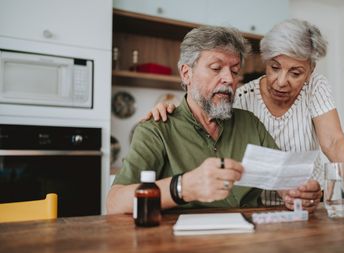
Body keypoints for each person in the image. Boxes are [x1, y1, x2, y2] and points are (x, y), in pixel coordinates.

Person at [144, 19, 344, 210]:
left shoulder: (316, 88)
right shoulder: (240, 98)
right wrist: (174, 111)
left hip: (307, 200)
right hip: (261, 207)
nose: (282, 82)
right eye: (275, 67)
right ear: (265, 61)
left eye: (296, 73)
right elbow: (205, 113)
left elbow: (334, 142)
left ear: (310, 70)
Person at [107, 25, 322, 214]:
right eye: (216, 68)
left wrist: (299, 193)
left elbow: (284, 181)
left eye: (235, 70)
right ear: (186, 74)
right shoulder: (157, 128)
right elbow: (115, 203)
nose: (229, 79)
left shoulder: (250, 123)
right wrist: (183, 187)